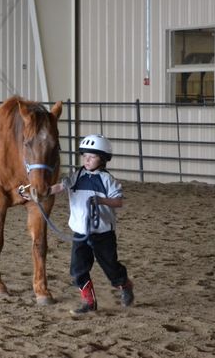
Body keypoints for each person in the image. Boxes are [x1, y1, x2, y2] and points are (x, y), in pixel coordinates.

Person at [51, 134, 134, 314]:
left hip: (103, 234)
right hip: (80, 232)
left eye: (92, 156)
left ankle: (125, 285)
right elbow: (59, 188)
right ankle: (89, 303)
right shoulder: (76, 176)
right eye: (85, 156)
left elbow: (118, 201)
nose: (87, 160)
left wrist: (101, 200)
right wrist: (41, 191)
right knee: (77, 269)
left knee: (111, 267)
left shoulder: (107, 180)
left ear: (102, 159)